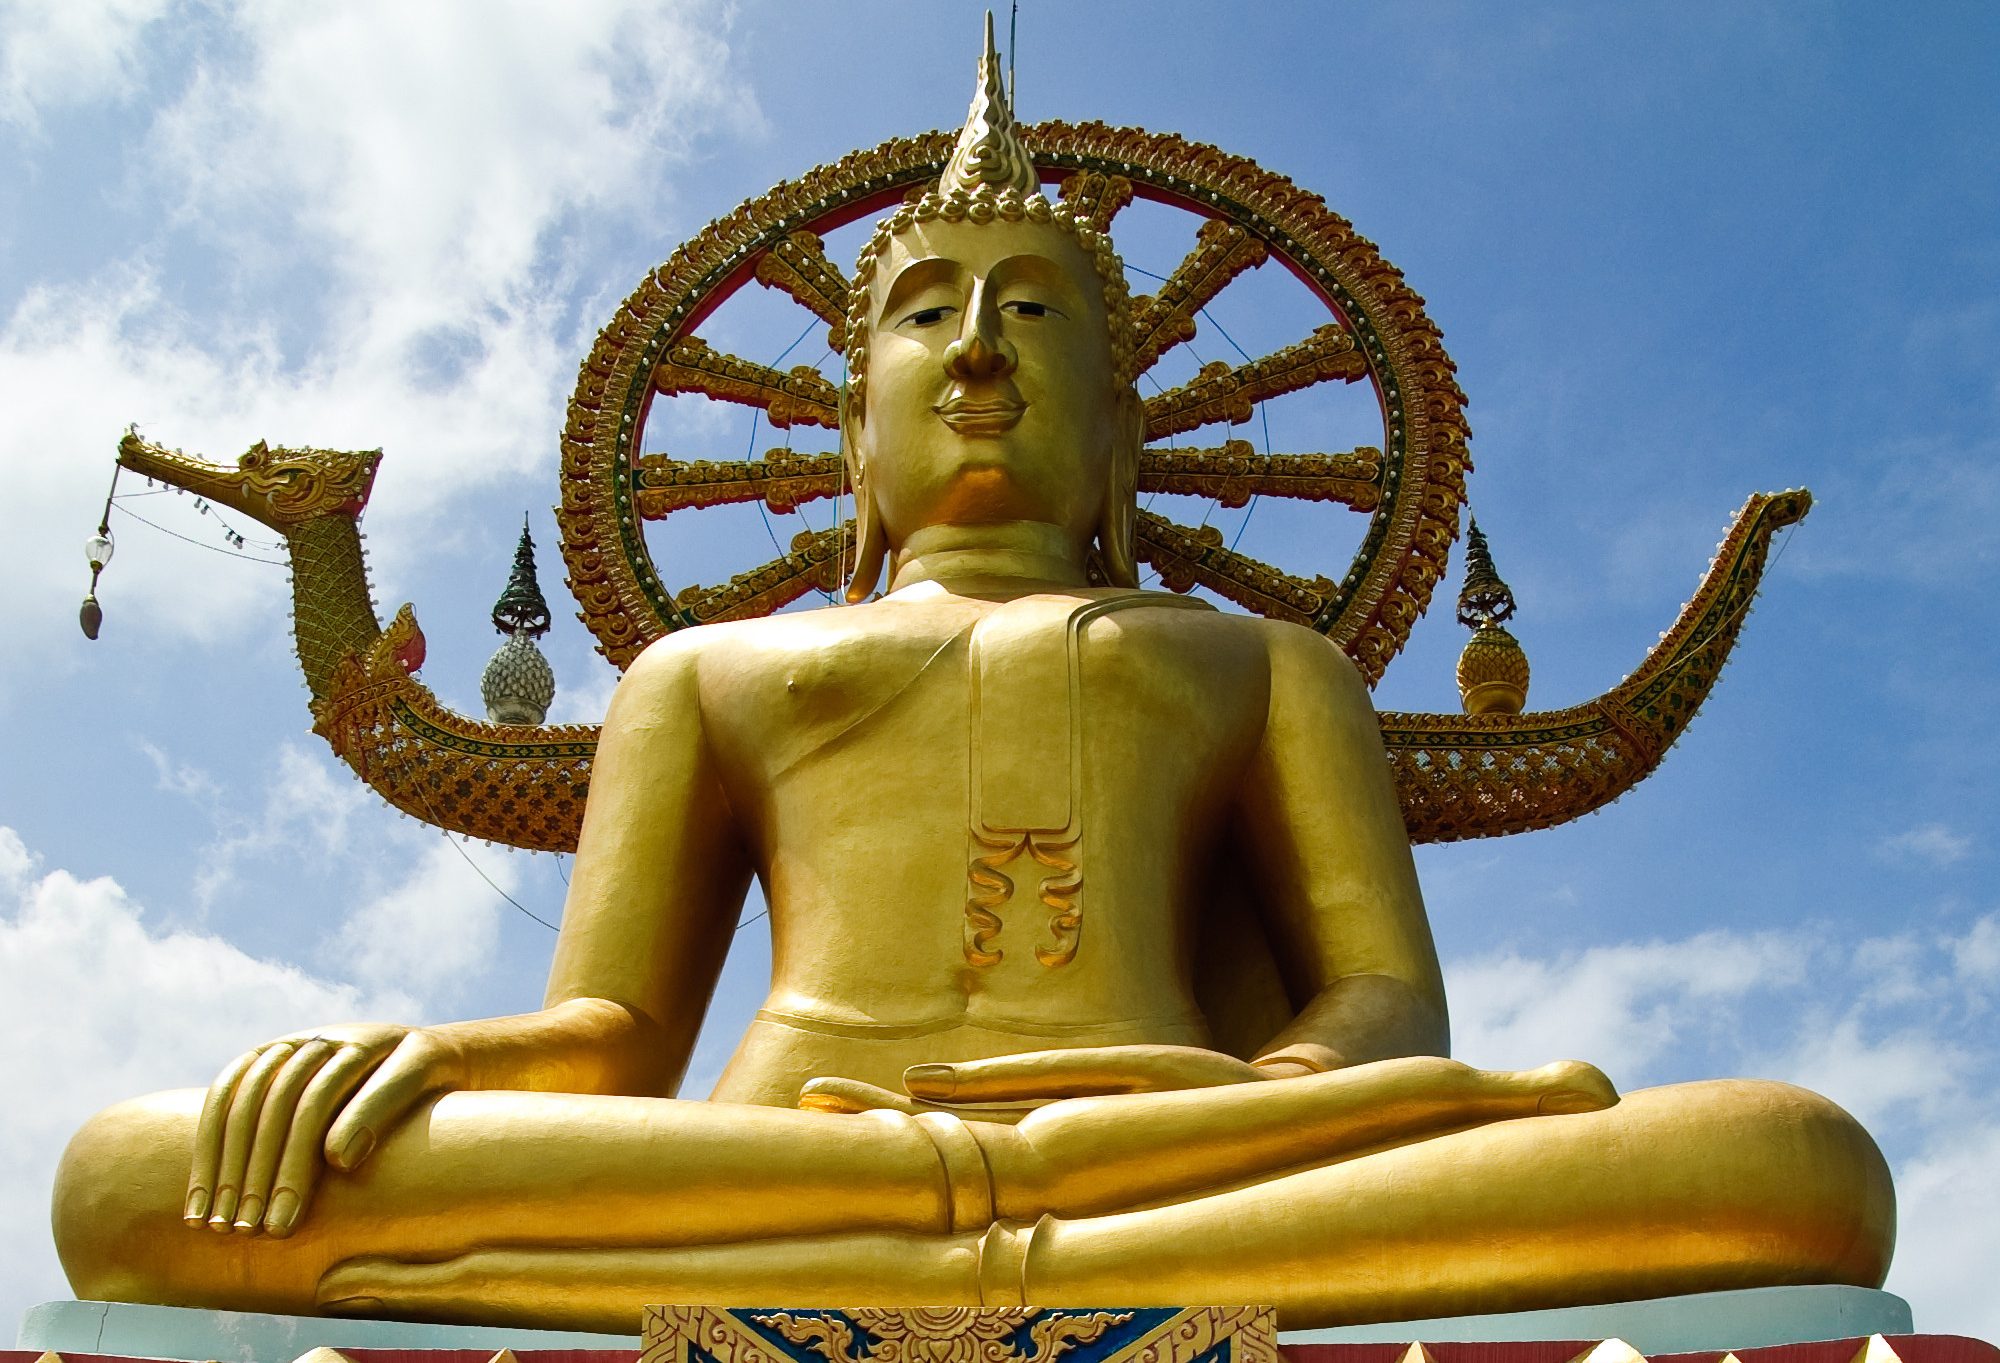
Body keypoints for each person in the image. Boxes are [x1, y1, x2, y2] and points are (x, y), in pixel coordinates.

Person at [51, 24, 1893, 1333]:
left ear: (1122, 431)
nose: (979, 351)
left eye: (1037, 313)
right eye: (927, 315)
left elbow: (1379, 1015)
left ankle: (961, 1244)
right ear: (848, 436)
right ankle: (974, 1241)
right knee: (138, 1179)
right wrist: (420, 1058)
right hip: (795, 1159)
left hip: (1177, 1154)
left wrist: (1183, 1114)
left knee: (1793, 1164)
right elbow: (614, 1044)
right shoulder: (704, 672)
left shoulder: (1263, 665)